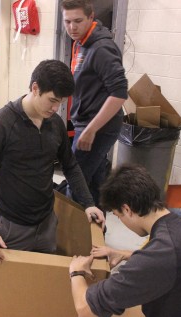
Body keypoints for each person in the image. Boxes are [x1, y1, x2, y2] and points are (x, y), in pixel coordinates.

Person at [0, 59, 106, 265]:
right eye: (52, 100)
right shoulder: (1, 124)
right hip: (10, 226)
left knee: (41, 281)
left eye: (61, 103)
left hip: (46, 222)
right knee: (11, 285)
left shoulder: (55, 124)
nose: (56, 108)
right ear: (35, 88)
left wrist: (88, 203)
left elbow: (70, 165)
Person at [69, 165, 181, 317]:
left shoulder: (163, 253)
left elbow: (86, 309)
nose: (121, 222)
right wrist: (124, 254)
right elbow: (179, 261)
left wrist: (76, 272)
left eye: (118, 215)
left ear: (127, 209)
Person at [61, 0, 128, 207]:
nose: (72, 27)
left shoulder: (101, 48)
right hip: (86, 122)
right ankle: (97, 233)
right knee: (94, 182)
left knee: (76, 181)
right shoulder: (82, 42)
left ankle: (75, 235)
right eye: (67, 21)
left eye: (78, 21)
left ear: (91, 17)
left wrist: (91, 130)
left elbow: (119, 93)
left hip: (97, 127)